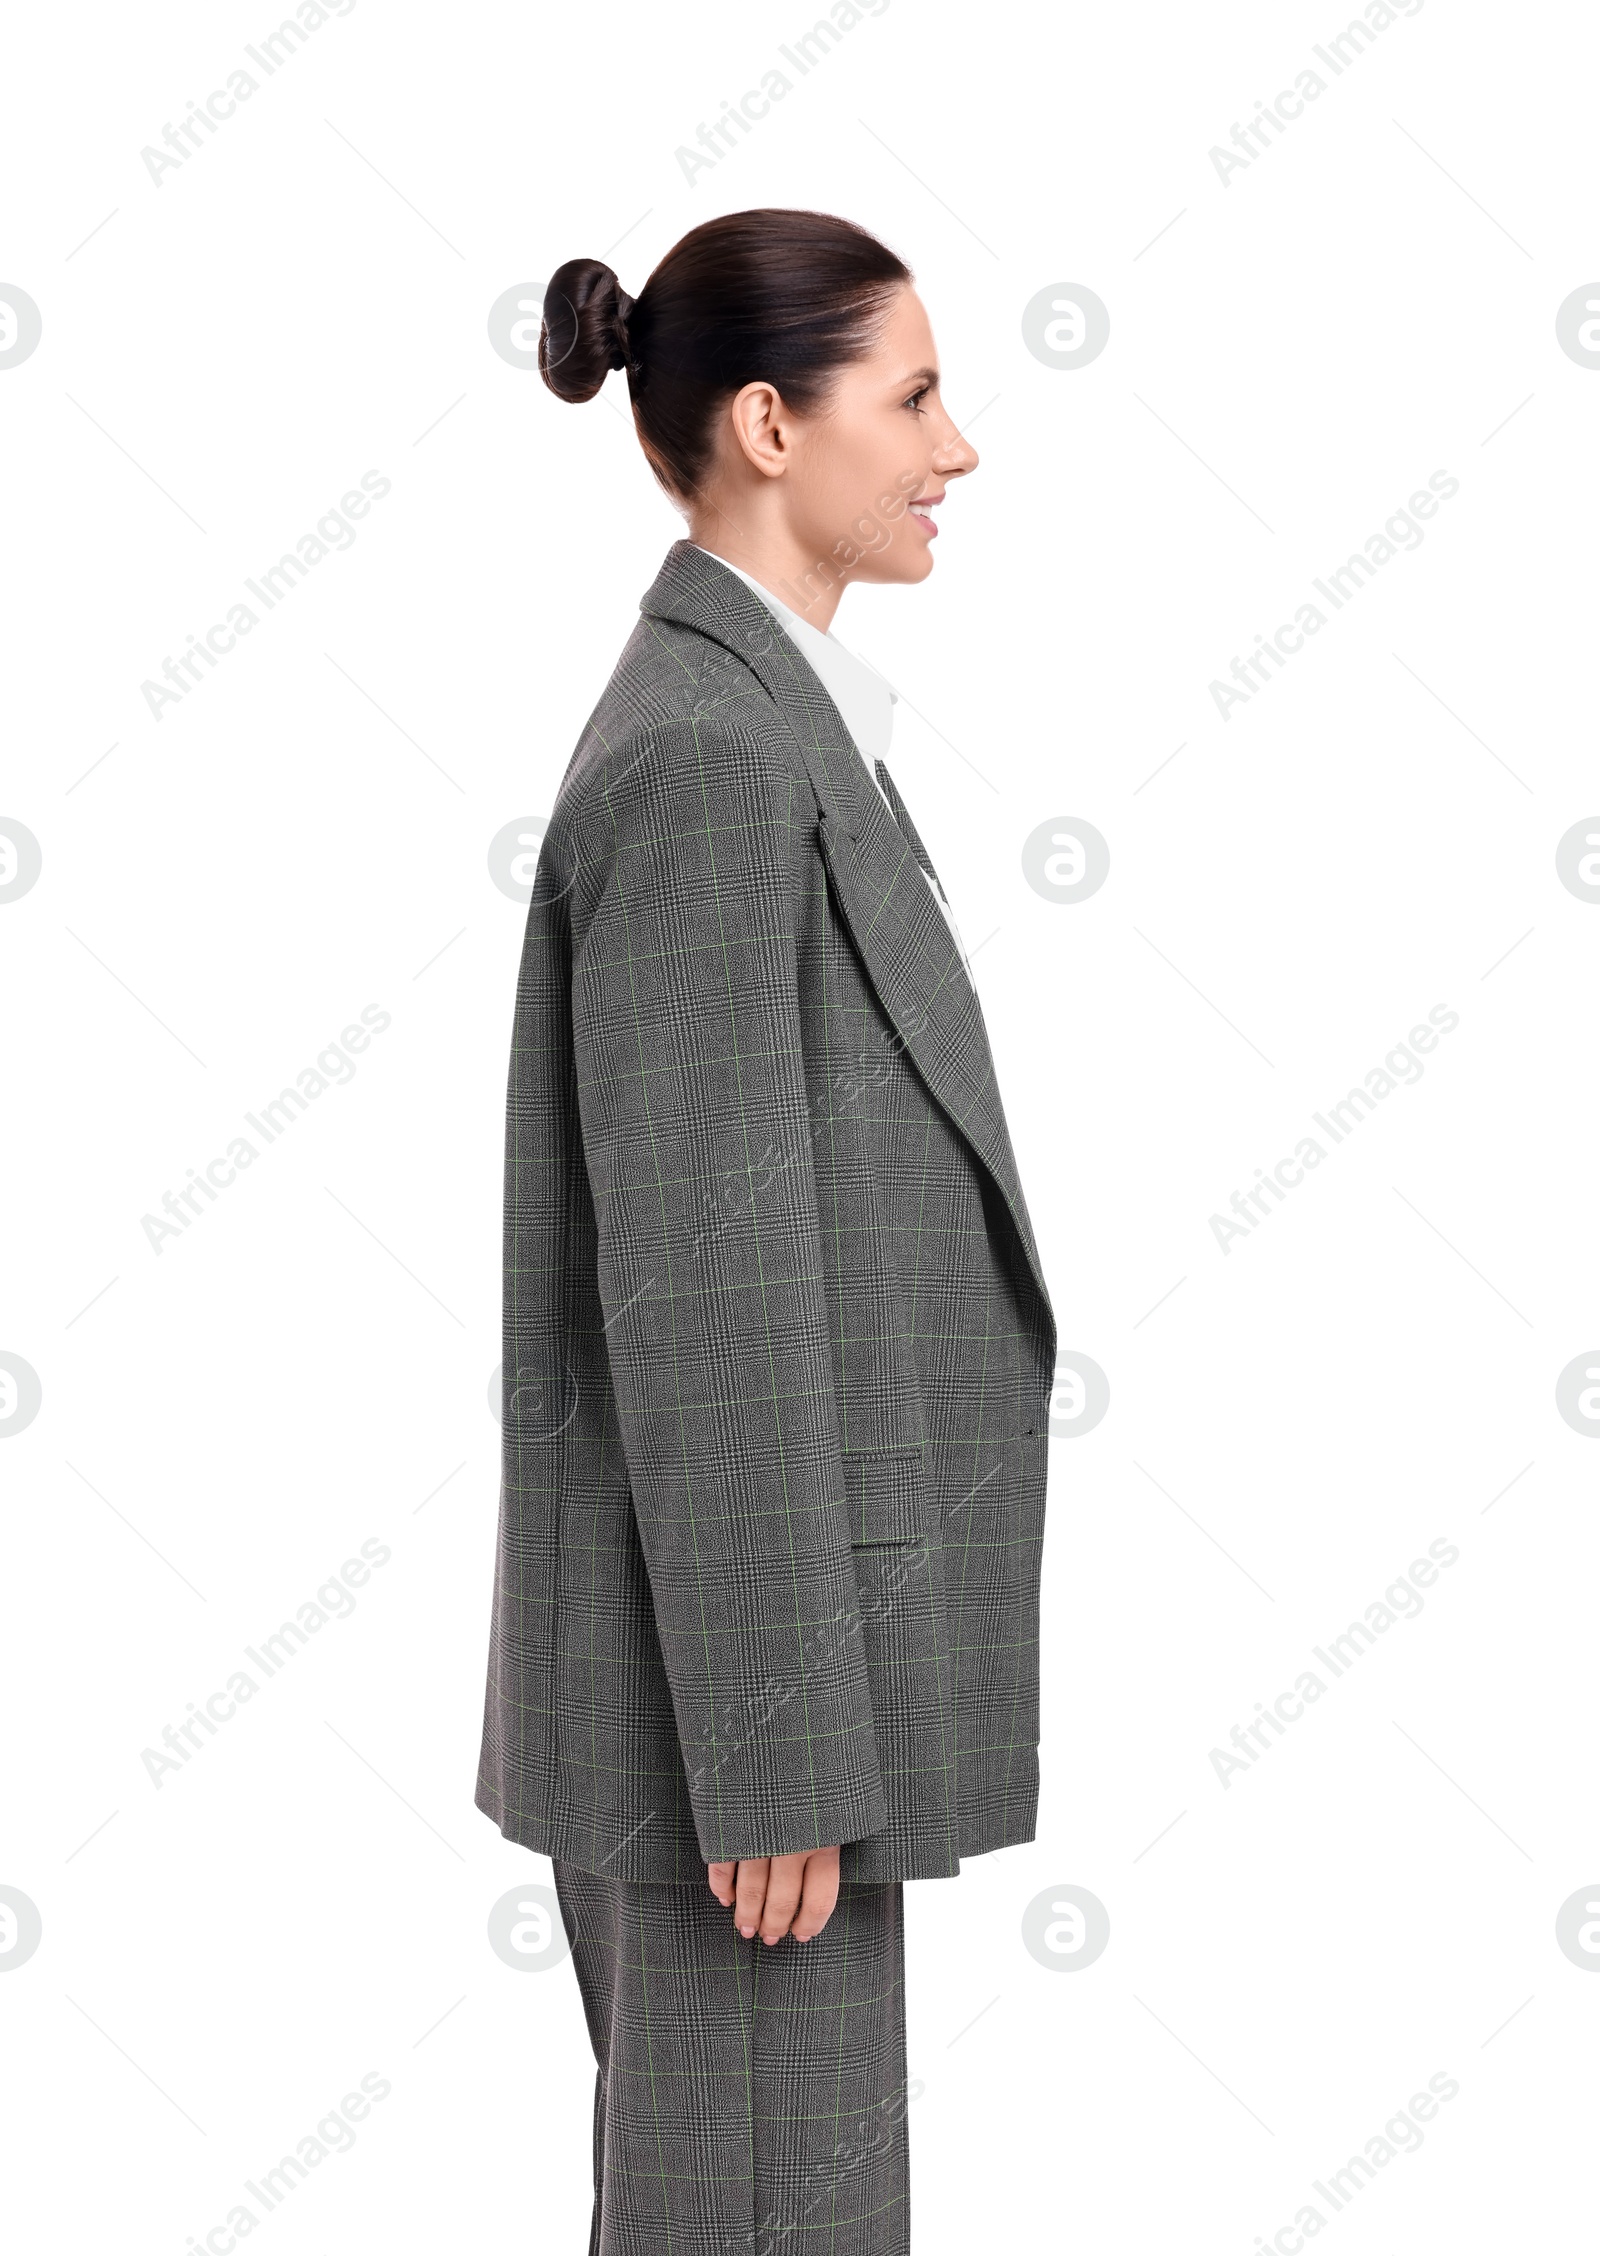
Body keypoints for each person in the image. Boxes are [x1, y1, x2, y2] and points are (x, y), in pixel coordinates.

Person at [475, 206, 1057, 2256]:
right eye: (908, 396)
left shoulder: (766, 726)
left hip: (749, 1715)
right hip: (738, 1738)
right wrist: (779, 1749)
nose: (953, 446)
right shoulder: (714, 761)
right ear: (761, 424)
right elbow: (701, 1294)